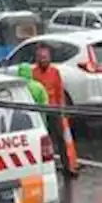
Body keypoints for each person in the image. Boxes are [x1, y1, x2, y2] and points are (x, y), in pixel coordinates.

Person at [31, 45, 71, 173]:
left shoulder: (54, 72)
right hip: (41, 111)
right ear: (36, 59)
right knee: (43, 140)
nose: (43, 60)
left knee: (60, 138)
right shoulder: (33, 73)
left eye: (45, 57)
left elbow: (59, 90)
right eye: (40, 57)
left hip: (54, 109)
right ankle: (45, 168)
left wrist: (62, 108)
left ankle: (67, 166)